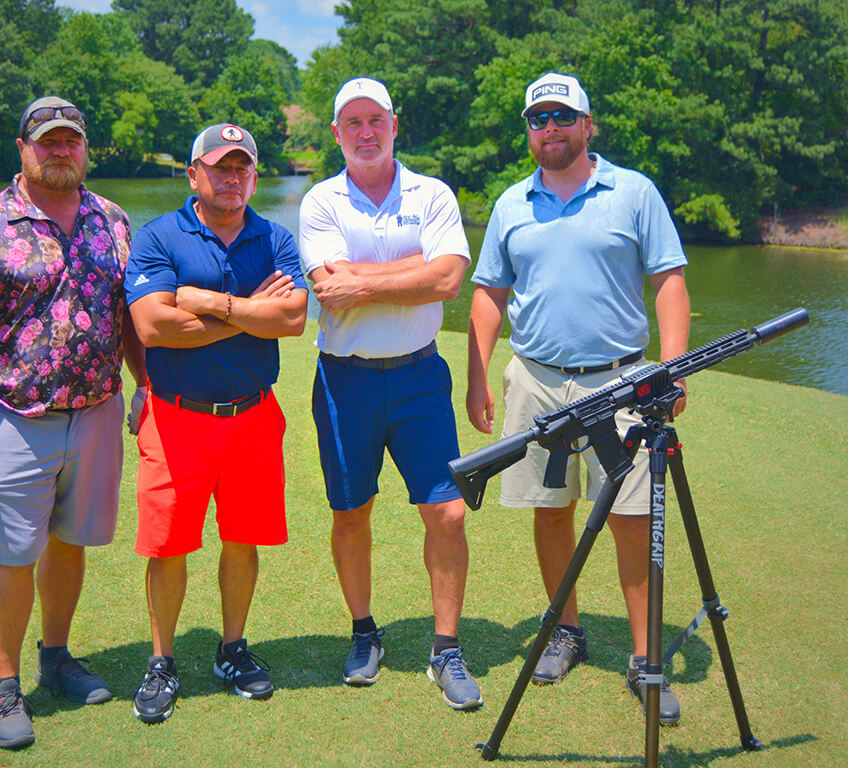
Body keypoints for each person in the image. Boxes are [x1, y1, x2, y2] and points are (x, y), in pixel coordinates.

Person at [466, 73, 691, 725]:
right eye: (539, 119)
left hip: (621, 382)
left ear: (589, 125)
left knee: (630, 517)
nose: (551, 128)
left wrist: (671, 370)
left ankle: (646, 659)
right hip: (535, 378)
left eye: (564, 115)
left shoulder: (633, 193)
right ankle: (565, 630)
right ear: (529, 133)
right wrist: (478, 374)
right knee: (550, 509)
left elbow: (669, 281)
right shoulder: (511, 203)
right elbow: (489, 294)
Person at [0, 96, 146, 749]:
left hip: (97, 411)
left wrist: (148, 388)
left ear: (84, 148)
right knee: (13, 553)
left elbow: (128, 318)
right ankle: (3, 685)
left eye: (70, 141)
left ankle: (57, 658)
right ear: (23, 148)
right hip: (11, 415)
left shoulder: (112, 221)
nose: (60, 150)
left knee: (71, 540)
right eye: (47, 141)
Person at [299, 77, 482, 711]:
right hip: (343, 379)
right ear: (337, 134)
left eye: (376, 119)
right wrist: (412, 274)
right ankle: (364, 632)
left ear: (394, 124)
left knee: (448, 511)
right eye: (353, 122)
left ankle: (447, 647)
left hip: (419, 376)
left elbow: (449, 278)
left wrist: (364, 281)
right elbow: (328, 288)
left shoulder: (432, 193)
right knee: (351, 511)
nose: (366, 132)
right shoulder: (321, 201)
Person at [124, 123, 308, 722]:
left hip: (253, 416)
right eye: (220, 167)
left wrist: (207, 301)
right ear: (193, 173)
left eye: (243, 168)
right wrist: (255, 311)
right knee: (169, 545)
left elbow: (294, 320)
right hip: (177, 418)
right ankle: (161, 661)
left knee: (242, 537)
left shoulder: (275, 237)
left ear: (254, 175)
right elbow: (153, 327)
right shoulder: (157, 236)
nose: (232, 178)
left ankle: (233, 648)